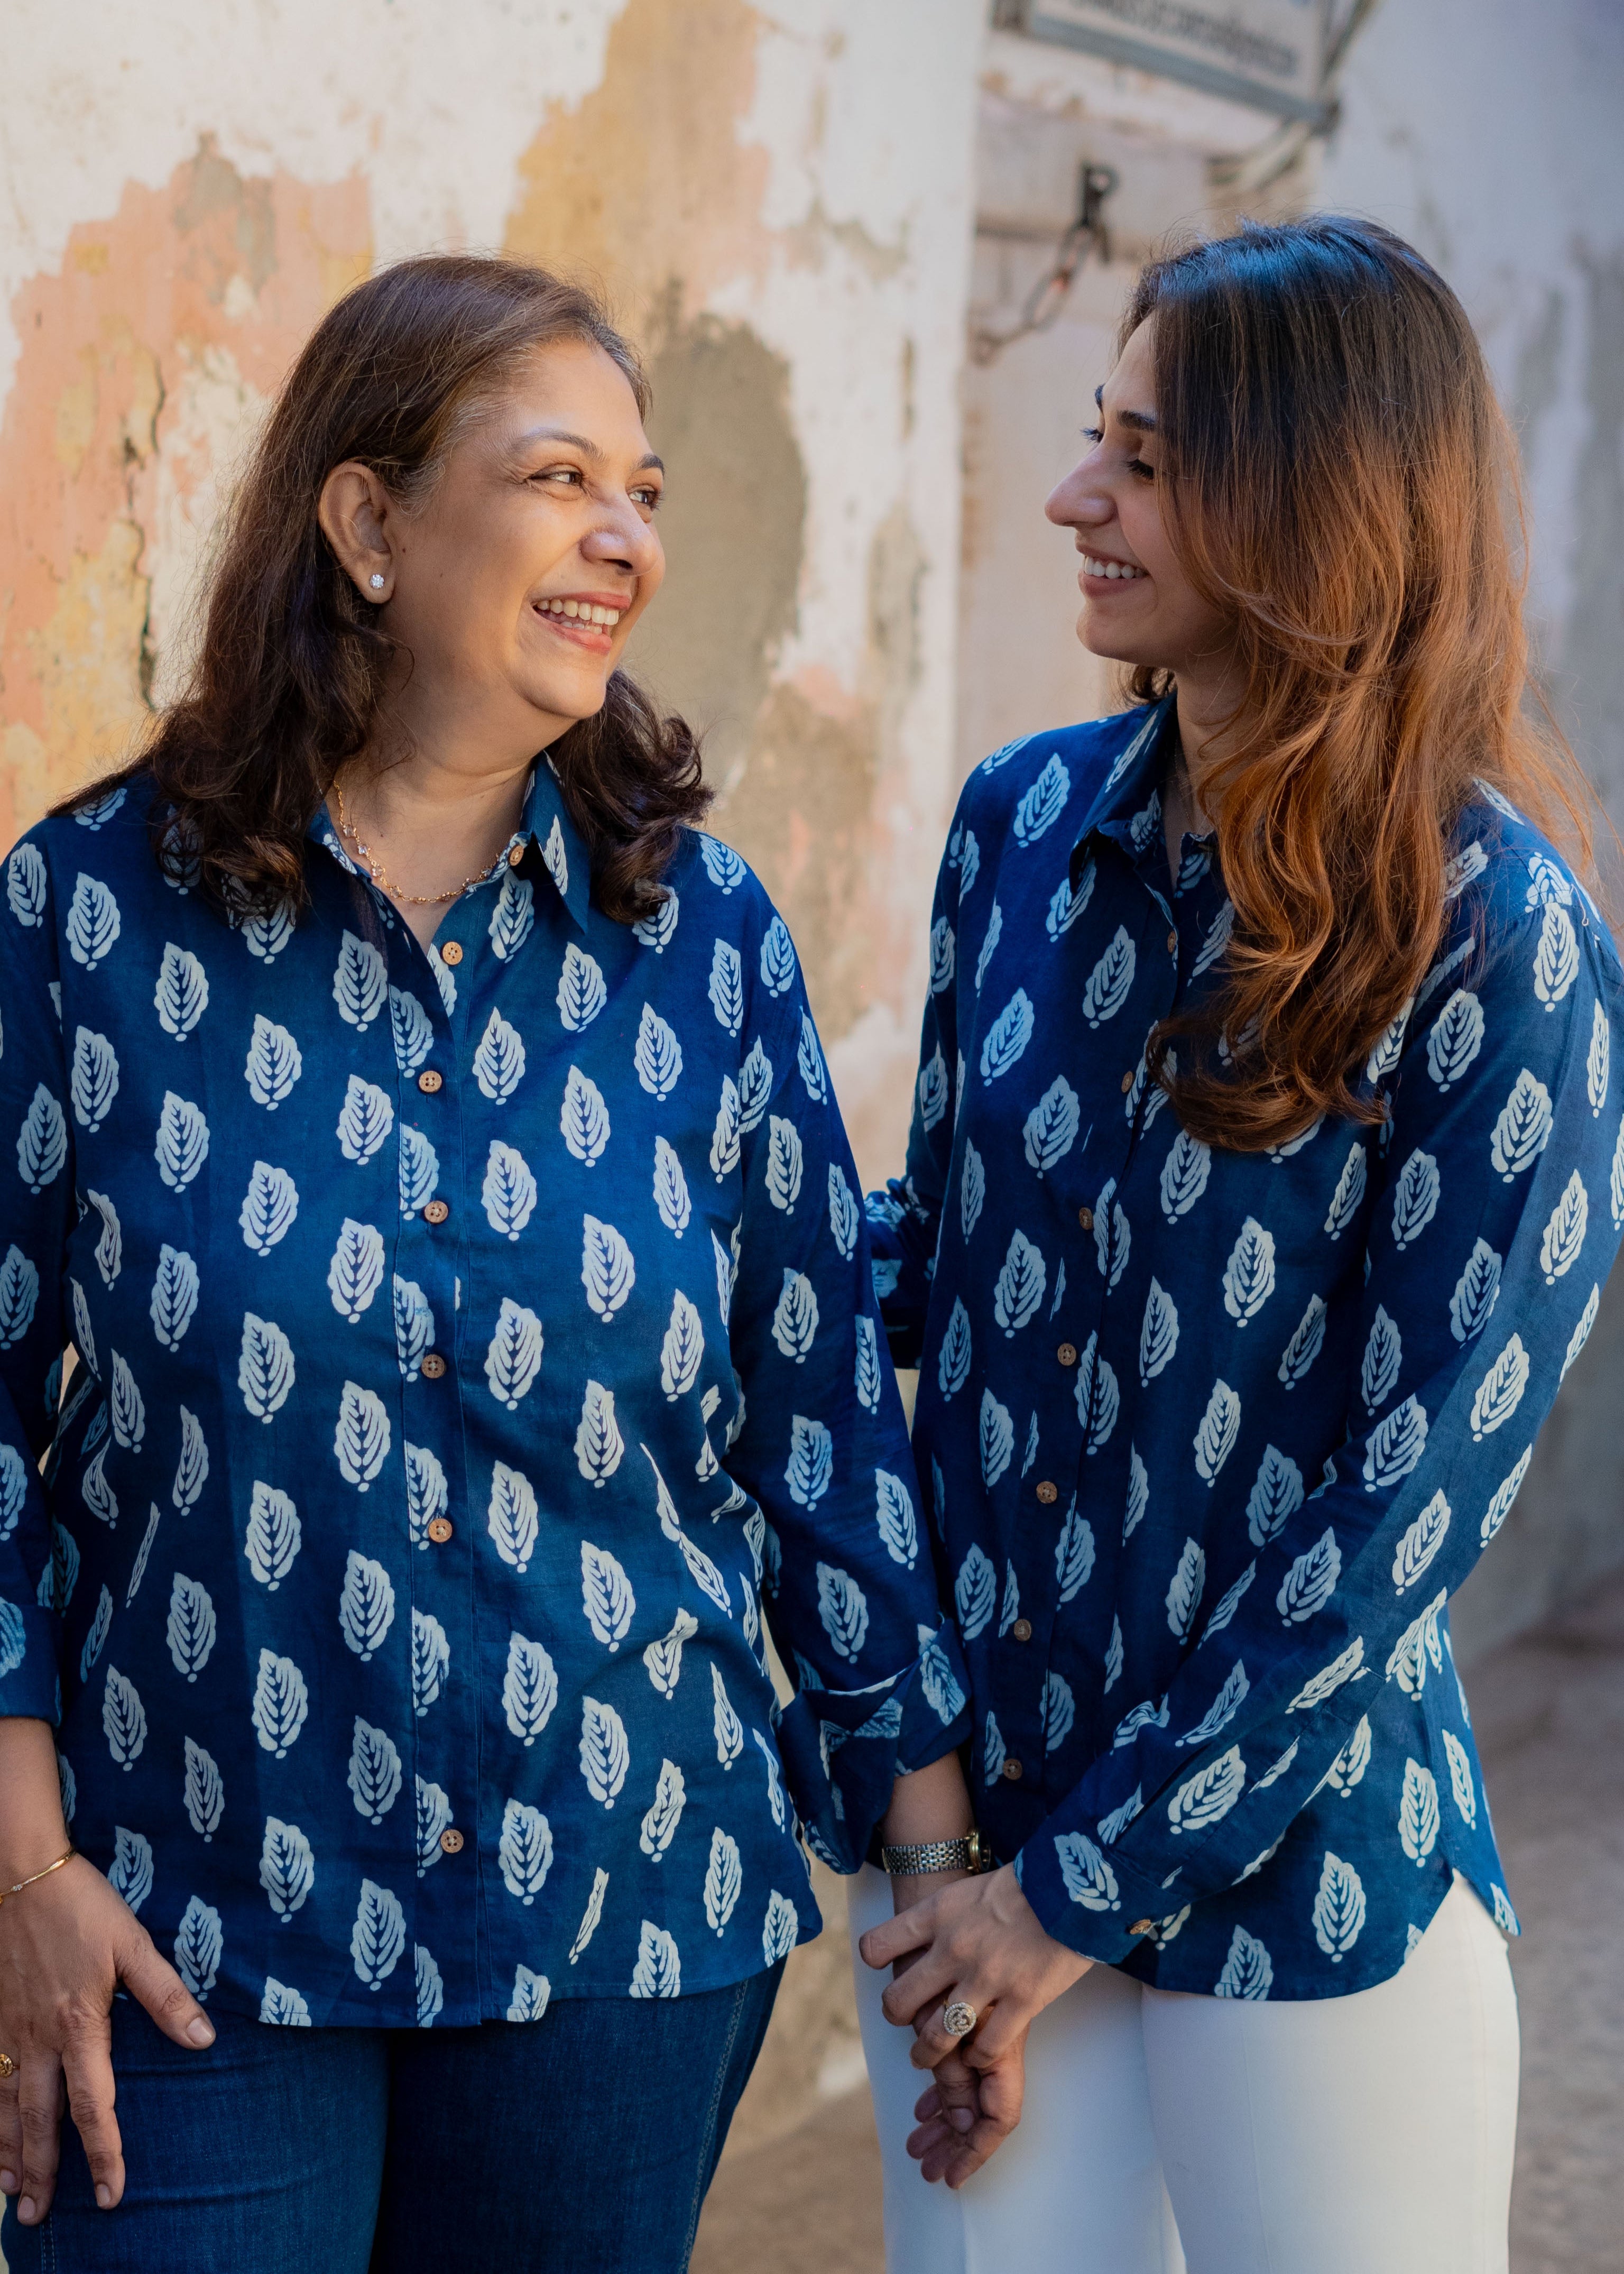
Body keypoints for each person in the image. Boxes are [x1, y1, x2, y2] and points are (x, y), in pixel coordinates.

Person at [0, 253, 975, 2274]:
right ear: (366, 524)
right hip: (194, 1905)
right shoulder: (86, 918)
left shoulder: (697, 937)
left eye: (639, 494)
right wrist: (20, 1862)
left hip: (621, 1917)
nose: (622, 538)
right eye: (557, 479)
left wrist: (936, 1859)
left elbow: (817, 1425)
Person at [851, 216, 1623, 2274]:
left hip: (1310, 1893)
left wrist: (1068, 1893)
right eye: (1097, 436)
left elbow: (1404, 1514)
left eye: (1149, 456)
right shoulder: (1021, 826)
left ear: (1316, 504)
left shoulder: (1503, 938)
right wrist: (661, 1263)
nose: (1071, 492)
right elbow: (920, 1258)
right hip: (979, 1846)